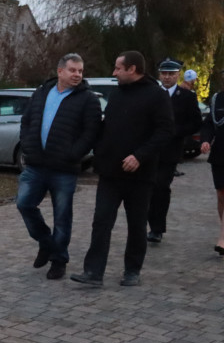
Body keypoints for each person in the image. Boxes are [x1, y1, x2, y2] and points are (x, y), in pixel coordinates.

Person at [71, 51, 173, 287]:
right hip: (110, 172)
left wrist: (140, 156)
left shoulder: (156, 96)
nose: (114, 72)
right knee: (101, 221)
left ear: (133, 69)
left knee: (136, 224)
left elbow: (165, 131)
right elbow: (108, 127)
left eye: (118, 68)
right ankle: (93, 272)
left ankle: (132, 270)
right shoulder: (117, 94)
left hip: (141, 175)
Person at [16, 53, 102, 280]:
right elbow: (27, 121)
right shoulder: (42, 92)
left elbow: (91, 133)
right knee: (24, 204)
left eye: (80, 71)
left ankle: (59, 259)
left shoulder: (88, 99)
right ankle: (46, 242)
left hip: (64, 169)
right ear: (60, 71)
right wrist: (27, 145)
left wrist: (73, 154)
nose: (77, 75)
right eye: (73, 70)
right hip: (36, 165)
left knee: (62, 216)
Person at [147, 58, 202, 243]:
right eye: (164, 73)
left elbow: (195, 123)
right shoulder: (152, 93)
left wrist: (176, 132)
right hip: (149, 150)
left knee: (161, 187)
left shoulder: (186, 96)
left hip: (170, 151)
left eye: (171, 74)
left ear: (178, 75)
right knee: (147, 188)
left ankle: (157, 228)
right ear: (159, 74)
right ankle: (146, 223)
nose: (167, 77)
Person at [201, 87, 224, 253]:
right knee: (221, 195)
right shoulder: (218, 99)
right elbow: (209, 123)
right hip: (220, 154)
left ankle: (223, 237)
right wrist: (206, 140)